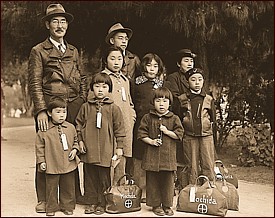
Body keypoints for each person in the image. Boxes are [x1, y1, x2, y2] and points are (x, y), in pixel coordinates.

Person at [28, 3, 88, 213]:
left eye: (63, 21)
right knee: (47, 150)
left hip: (72, 105)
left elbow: (81, 77)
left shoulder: (73, 50)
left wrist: (81, 100)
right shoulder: (38, 50)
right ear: (48, 25)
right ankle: (44, 198)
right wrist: (41, 110)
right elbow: (34, 83)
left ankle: (73, 194)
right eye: (55, 21)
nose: (60, 25)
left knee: (71, 147)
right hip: (50, 107)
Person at [75, 72, 126, 215]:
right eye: (97, 86)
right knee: (89, 176)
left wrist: (119, 148)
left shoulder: (113, 108)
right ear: (92, 88)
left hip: (106, 149)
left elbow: (119, 129)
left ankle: (102, 203)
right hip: (88, 149)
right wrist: (79, 141)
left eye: (104, 87)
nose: (100, 90)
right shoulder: (86, 107)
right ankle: (91, 202)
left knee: (104, 177)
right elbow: (78, 125)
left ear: (109, 89)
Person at [137, 87, 184, 216]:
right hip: (151, 157)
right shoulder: (148, 117)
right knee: (152, 181)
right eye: (158, 101)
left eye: (165, 101)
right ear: (153, 102)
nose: (161, 104)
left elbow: (179, 135)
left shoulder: (174, 118)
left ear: (170, 103)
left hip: (168, 157)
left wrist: (167, 132)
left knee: (168, 182)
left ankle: (167, 205)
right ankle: (156, 205)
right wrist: (151, 141)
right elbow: (141, 134)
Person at [35, 97, 80, 216]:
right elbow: (39, 147)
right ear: (49, 113)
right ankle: (51, 207)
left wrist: (75, 150)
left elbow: (76, 141)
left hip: (68, 163)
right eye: (58, 112)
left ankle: (67, 206)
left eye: (64, 112)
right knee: (51, 187)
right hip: (52, 164)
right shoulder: (44, 130)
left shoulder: (70, 128)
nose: (61, 115)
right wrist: (42, 161)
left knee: (68, 186)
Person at [131, 53, 166, 203]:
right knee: (138, 156)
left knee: (152, 154)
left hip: (156, 124)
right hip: (140, 123)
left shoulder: (161, 84)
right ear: (143, 67)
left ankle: (149, 191)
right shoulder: (136, 83)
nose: (152, 69)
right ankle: (136, 189)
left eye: (155, 66)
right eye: (149, 65)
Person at [101, 46, 136, 184]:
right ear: (105, 60)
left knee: (123, 156)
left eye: (119, 59)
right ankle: (108, 191)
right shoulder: (103, 78)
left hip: (126, 124)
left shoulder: (125, 80)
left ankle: (119, 192)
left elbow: (129, 102)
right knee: (110, 157)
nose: (116, 62)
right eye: (112, 58)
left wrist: (131, 117)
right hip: (109, 125)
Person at [165, 48, 196, 190]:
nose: (189, 63)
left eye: (191, 61)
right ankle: (176, 183)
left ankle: (189, 182)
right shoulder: (174, 78)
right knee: (178, 151)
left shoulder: (196, 77)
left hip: (194, 120)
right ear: (179, 64)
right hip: (179, 117)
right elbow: (175, 98)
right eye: (186, 61)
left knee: (191, 152)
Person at [179, 68, 216, 185]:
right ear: (187, 82)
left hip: (206, 136)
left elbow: (213, 118)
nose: (197, 82)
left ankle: (209, 190)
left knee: (208, 162)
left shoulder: (208, 99)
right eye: (193, 79)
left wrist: (211, 131)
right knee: (191, 165)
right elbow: (179, 117)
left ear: (203, 81)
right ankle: (191, 190)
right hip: (189, 136)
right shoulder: (183, 99)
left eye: (200, 79)